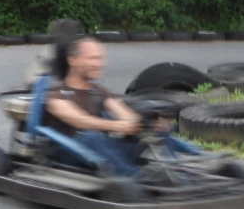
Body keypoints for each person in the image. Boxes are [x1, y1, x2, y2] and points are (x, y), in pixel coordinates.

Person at [43, 36, 170, 177]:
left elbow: (124, 113)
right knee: (90, 137)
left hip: (102, 150)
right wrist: (116, 126)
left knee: (158, 130)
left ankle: (177, 172)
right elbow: (80, 120)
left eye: (100, 58)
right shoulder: (57, 94)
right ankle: (132, 178)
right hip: (71, 154)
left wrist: (147, 123)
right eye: (92, 58)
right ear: (73, 60)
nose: (99, 64)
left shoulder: (99, 90)